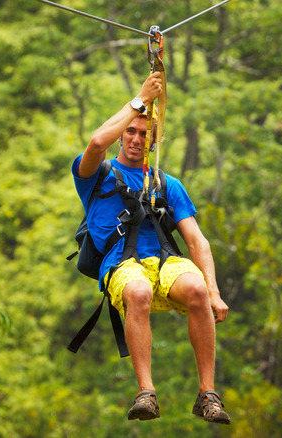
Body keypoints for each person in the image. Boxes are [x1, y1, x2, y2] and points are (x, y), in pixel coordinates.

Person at [72, 71, 231, 424]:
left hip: (163, 260)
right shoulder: (96, 175)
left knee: (196, 289)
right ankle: (146, 392)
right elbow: (97, 143)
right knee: (139, 292)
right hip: (121, 264)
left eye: (145, 134)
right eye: (131, 131)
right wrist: (140, 100)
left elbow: (196, 240)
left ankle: (208, 394)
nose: (135, 138)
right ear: (122, 133)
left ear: (153, 143)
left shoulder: (166, 183)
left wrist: (214, 291)